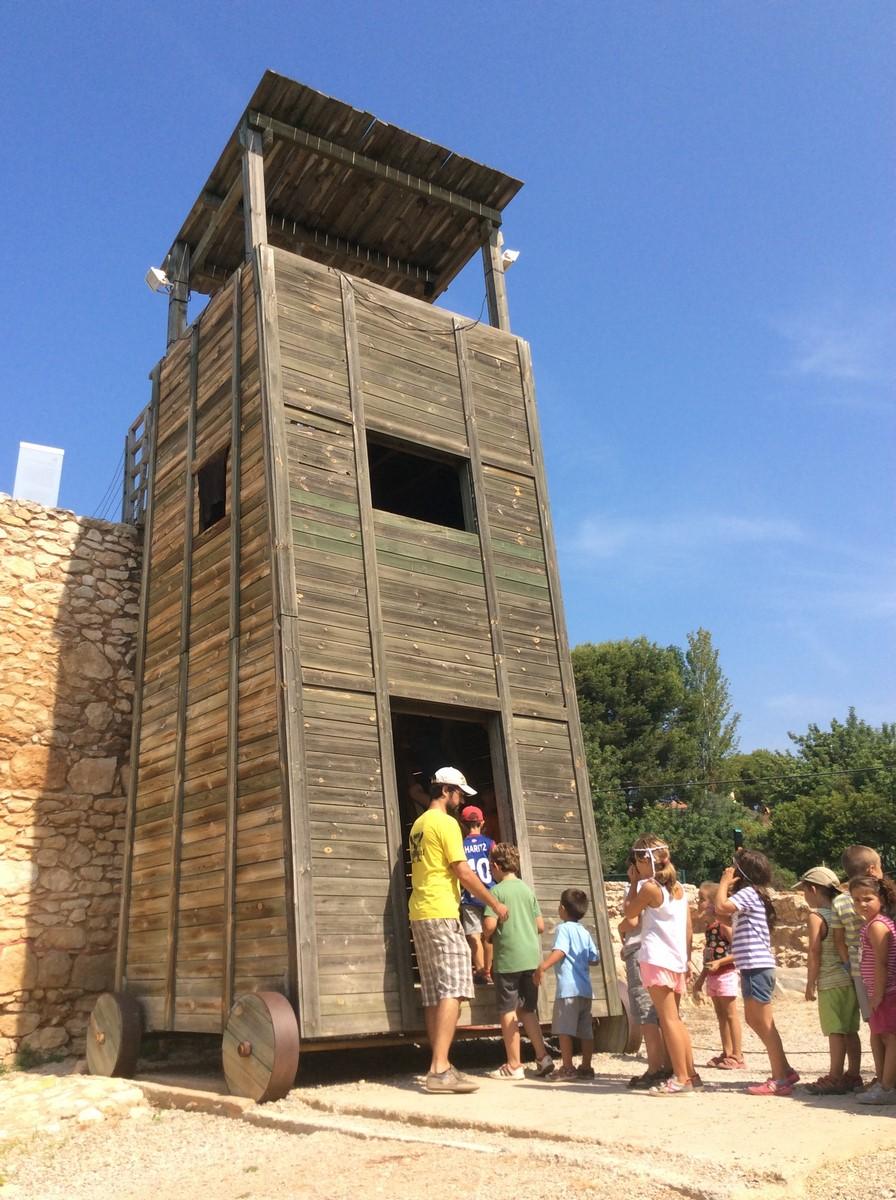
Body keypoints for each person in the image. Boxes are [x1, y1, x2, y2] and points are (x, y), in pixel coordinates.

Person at [408, 766, 508, 1094]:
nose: (461, 799)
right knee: (454, 986)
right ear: (446, 790)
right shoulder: (447, 823)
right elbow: (462, 871)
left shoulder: (420, 824)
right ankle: (439, 1069)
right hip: (441, 910)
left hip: (420, 911)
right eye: (459, 793)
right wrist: (494, 903)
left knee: (433, 991)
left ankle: (440, 1063)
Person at [715, 849, 799, 1097]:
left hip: (756, 965)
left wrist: (723, 882)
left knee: (764, 1023)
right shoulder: (752, 895)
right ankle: (784, 1070)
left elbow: (721, 906)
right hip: (752, 966)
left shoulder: (749, 893)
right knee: (755, 1020)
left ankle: (780, 1078)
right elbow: (723, 913)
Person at [623, 835, 697, 1096]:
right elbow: (688, 927)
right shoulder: (679, 889)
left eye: (637, 861)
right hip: (676, 960)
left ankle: (681, 1078)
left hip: (656, 959)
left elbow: (630, 913)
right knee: (675, 1020)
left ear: (645, 860)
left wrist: (634, 883)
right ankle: (690, 1073)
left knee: (667, 1021)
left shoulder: (650, 888)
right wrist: (687, 959)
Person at [482, 843, 555, 1080]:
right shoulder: (526, 890)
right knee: (527, 1010)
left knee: (508, 1010)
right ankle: (543, 1057)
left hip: (508, 960)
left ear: (495, 866)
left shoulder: (496, 892)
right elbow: (540, 926)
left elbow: (489, 926)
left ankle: (514, 1064)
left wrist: (487, 934)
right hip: (531, 959)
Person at [796, 866, 861, 1095]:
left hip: (830, 980)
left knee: (835, 1030)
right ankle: (853, 1075)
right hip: (849, 978)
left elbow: (815, 951)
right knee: (850, 1029)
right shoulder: (842, 911)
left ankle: (835, 1076)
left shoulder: (817, 916)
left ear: (813, 889)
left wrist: (810, 983)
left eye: (804, 890)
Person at [831, 845, 884, 1087]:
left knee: (875, 1025)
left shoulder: (840, 901)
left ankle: (881, 1076)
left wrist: (848, 966)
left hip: (859, 970)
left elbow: (839, 939)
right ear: (872, 869)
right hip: (884, 968)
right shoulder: (879, 897)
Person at [533, 887, 599, 1081]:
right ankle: (586, 1067)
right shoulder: (584, 931)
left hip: (568, 990)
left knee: (564, 1030)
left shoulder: (563, 929)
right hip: (585, 990)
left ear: (562, 908)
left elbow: (560, 951)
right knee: (586, 1031)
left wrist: (542, 967)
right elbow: (594, 958)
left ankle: (568, 1067)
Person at [850, 874, 896, 1105]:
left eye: (868, 898)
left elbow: (882, 962)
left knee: (891, 1038)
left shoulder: (877, 925)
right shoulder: (873, 924)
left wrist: (878, 994)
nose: (862, 904)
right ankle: (885, 1083)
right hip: (882, 992)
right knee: (884, 1036)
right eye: (856, 900)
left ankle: (887, 1088)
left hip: (887, 992)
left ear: (882, 899)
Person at [692, 882, 744, 1070]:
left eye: (702, 899)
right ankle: (727, 1052)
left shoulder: (723, 926)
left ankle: (738, 1055)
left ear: (714, 904)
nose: (698, 903)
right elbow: (709, 957)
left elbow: (738, 951)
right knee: (721, 1015)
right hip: (714, 977)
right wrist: (700, 980)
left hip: (726, 974)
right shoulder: (709, 928)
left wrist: (720, 963)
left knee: (730, 1014)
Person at [619, 907, 671, 1089]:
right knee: (661, 1012)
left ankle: (654, 1068)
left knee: (645, 1010)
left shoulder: (638, 891)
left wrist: (620, 927)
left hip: (639, 949)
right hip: (661, 949)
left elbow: (632, 921)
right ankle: (668, 1065)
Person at [459, 805, 495, 985]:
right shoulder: (490, 843)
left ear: (462, 824)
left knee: (474, 935)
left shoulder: (460, 846)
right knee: (489, 935)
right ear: (482, 822)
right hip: (489, 893)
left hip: (469, 895)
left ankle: (480, 972)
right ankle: (488, 971)